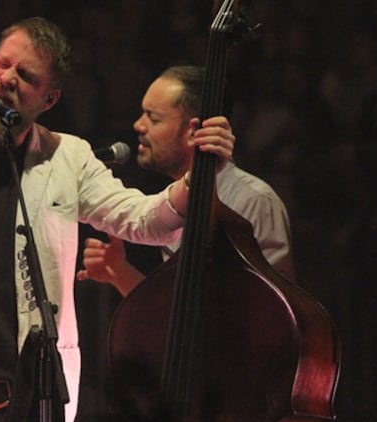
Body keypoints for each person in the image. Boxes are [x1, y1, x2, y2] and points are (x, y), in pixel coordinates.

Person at [0, 18, 235, 422]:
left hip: (35, 406)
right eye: (2, 64)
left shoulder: (66, 158)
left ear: (48, 99)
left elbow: (145, 221)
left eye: (26, 76)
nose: (6, 79)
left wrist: (198, 176)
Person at [77, 64, 295, 298]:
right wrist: (119, 273)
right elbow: (175, 314)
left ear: (193, 131)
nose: (138, 125)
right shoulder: (174, 200)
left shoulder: (253, 200)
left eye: (153, 117)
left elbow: (275, 313)